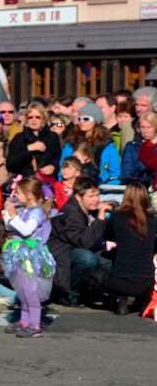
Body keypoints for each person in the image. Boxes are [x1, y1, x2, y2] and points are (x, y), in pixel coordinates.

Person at [80, 182, 157, 314]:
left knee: (89, 272)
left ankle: (116, 298)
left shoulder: (117, 217)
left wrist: (102, 216)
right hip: (146, 281)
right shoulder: (153, 220)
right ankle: (139, 300)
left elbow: (106, 237)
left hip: (121, 280)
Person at [1, 177, 56, 338]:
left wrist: (13, 216)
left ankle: (35, 324)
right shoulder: (25, 210)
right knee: (22, 289)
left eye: (18, 192)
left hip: (30, 256)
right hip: (19, 253)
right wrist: (8, 214)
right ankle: (24, 321)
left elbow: (26, 231)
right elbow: (9, 226)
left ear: (29, 195)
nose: (15, 195)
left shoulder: (37, 212)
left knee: (31, 291)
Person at [47, 177, 109, 305]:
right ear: (79, 197)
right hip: (60, 258)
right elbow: (85, 241)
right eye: (91, 196)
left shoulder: (87, 210)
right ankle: (68, 293)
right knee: (88, 259)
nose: (96, 200)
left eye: (97, 195)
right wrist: (101, 217)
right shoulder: (71, 214)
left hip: (72, 251)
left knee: (107, 261)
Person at [59, 102, 120, 185]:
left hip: (100, 188)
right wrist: (63, 185)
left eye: (86, 119)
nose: (81, 122)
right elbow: (62, 167)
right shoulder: (71, 142)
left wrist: (106, 189)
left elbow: (115, 173)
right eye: (79, 119)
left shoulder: (106, 144)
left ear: (96, 121)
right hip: (72, 187)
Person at [6, 102, 61, 179]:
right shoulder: (19, 138)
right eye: (30, 117)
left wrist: (53, 166)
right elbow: (10, 165)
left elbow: (58, 158)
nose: (34, 120)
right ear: (26, 120)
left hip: (47, 182)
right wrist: (28, 149)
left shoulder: (52, 137)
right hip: (25, 183)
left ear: (43, 119)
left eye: (37, 117)